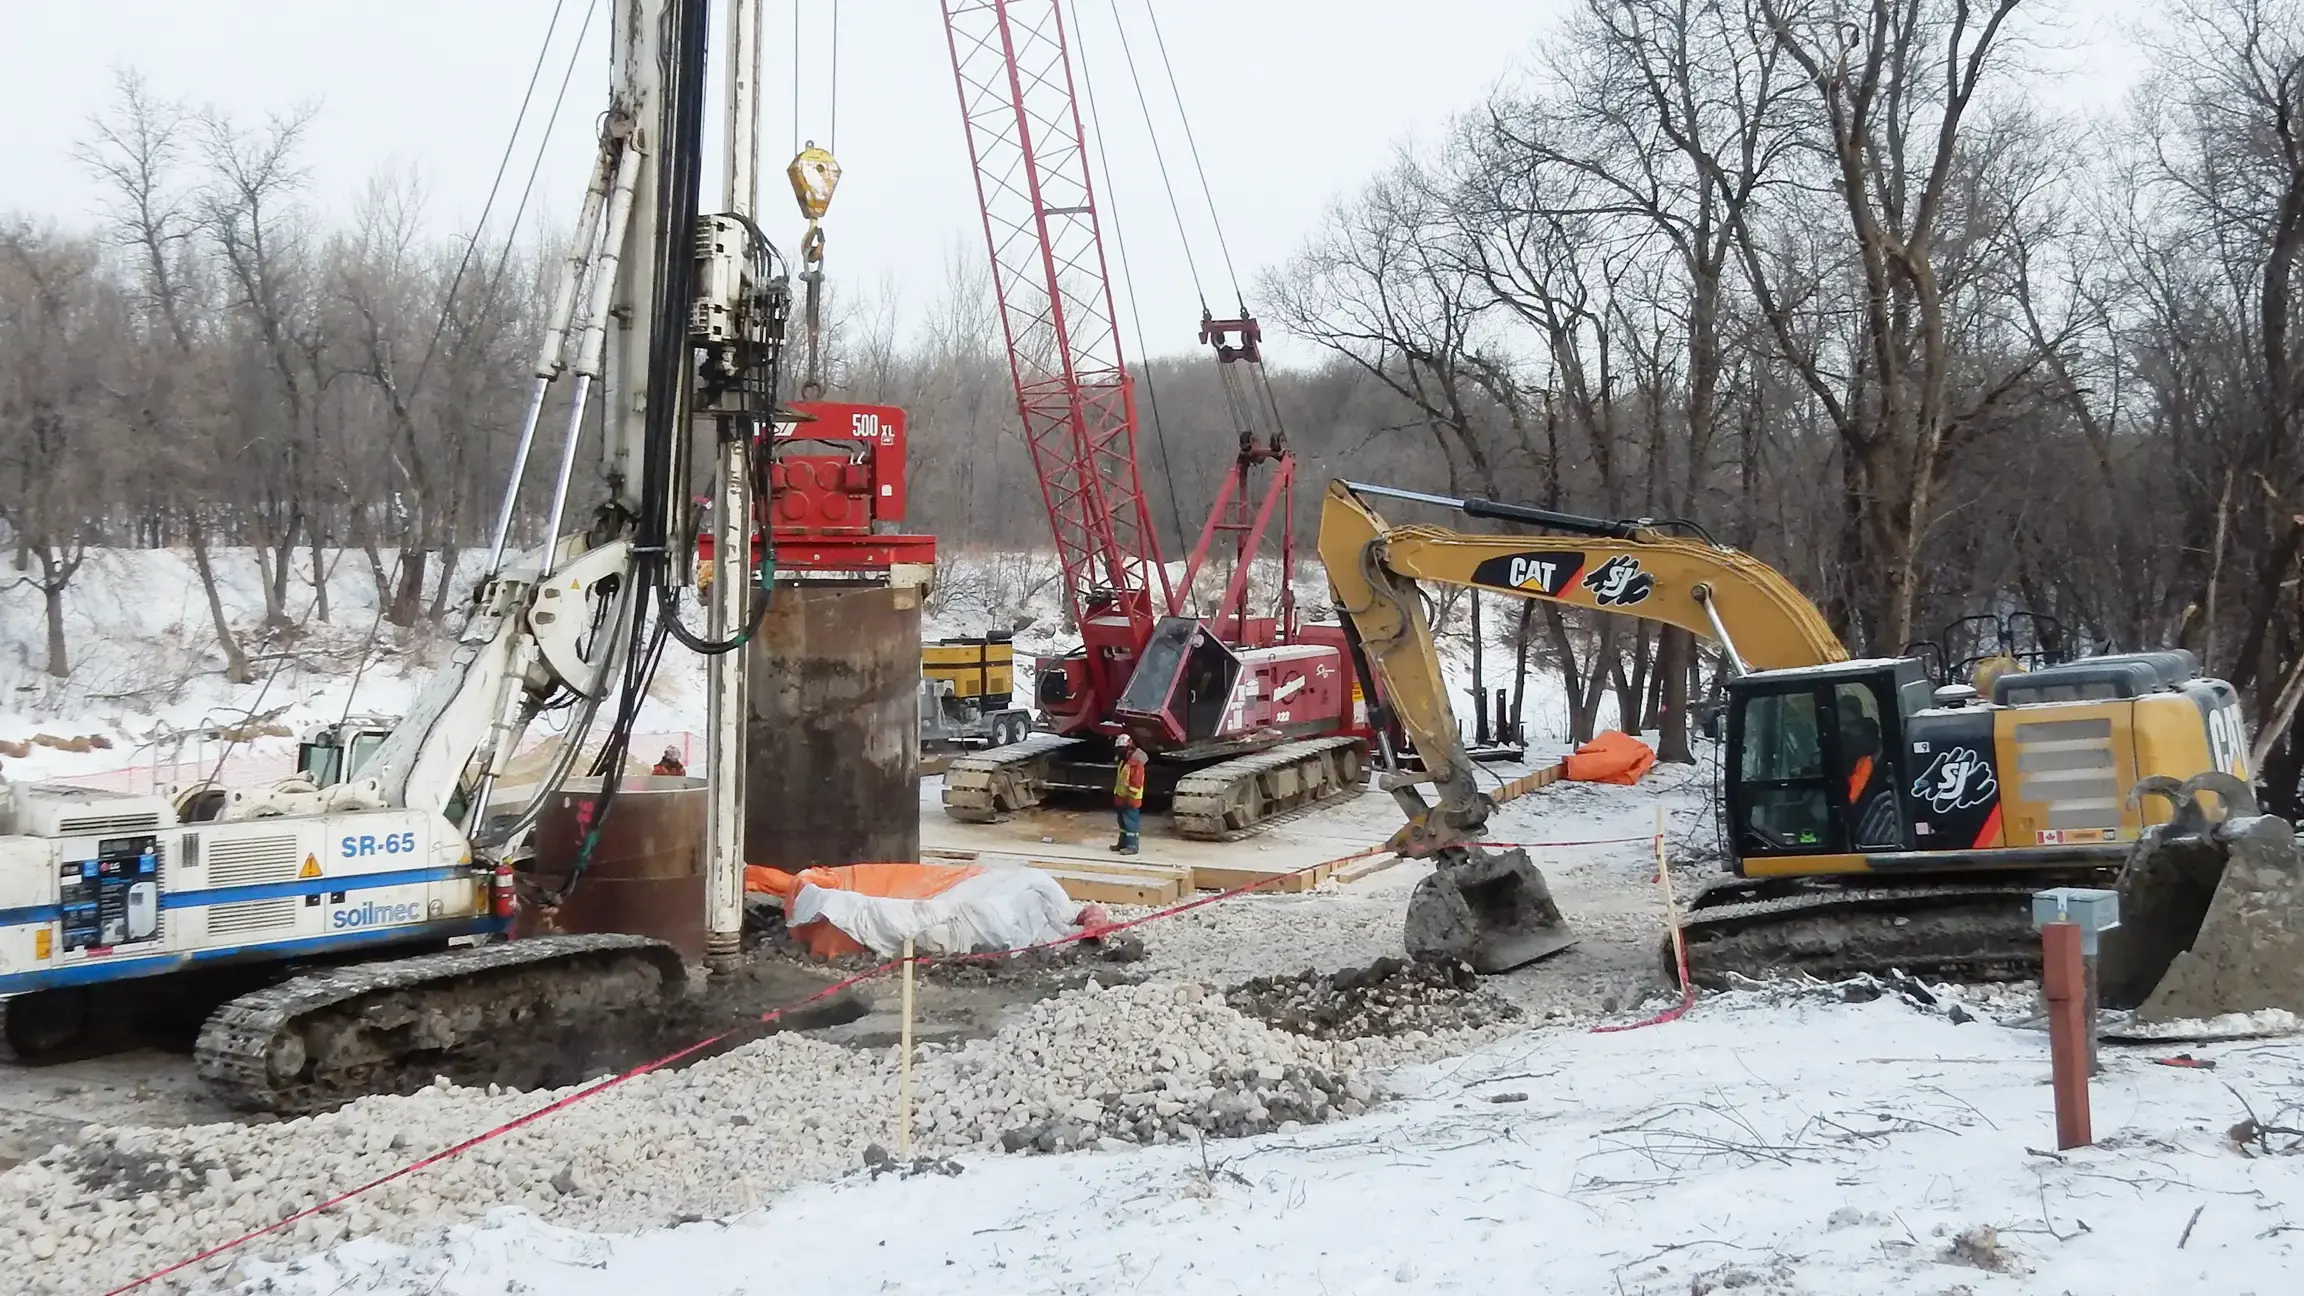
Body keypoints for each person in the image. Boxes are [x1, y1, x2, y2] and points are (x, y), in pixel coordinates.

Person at [1111, 739, 1148, 855]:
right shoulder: (1125, 761)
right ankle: (1122, 843)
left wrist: (1130, 797)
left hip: (1131, 799)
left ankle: (1132, 846)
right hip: (1121, 798)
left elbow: (1137, 783)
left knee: (1131, 823)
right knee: (1122, 822)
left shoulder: (1136, 763)